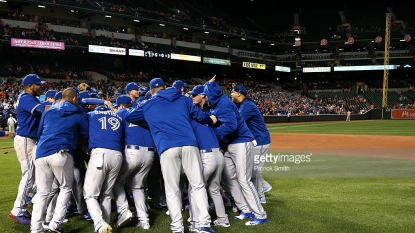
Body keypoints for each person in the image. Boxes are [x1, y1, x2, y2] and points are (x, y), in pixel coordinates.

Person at [125, 78, 217, 233]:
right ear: (165, 87)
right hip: (189, 144)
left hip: (166, 147)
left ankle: (177, 228)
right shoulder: (183, 99)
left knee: (172, 189)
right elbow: (200, 117)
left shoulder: (148, 104)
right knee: (198, 184)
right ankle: (204, 225)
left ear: (152, 90)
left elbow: (130, 116)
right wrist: (211, 119)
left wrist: (151, 121)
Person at [203, 79, 268, 226]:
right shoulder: (217, 104)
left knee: (244, 179)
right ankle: (245, 209)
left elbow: (231, 126)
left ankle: (260, 214)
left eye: (206, 94)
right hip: (230, 145)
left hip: (241, 142)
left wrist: (213, 133)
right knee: (228, 178)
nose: (205, 98)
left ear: (211, 94)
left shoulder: (224, 104)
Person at [30, 88, 89, 233]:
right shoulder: (78, 111)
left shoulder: (49, 110)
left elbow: (39, 132)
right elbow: (86, 133)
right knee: (66, 188)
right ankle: (55, 224)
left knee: (42, 192)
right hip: (61, 152)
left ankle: (35, 228)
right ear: (75, 99)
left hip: (41, 152)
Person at [188, 85, 230, 230]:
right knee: (214, 189)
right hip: (218, 155)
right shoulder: (208, 115)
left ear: (203, 96)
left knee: (195, 188)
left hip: (207, 156)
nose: (192, 97)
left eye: (195, 95)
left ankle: (197, 223)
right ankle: (223, 219)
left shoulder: (195, 115)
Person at [113, 95, 154, 229]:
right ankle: (144, 221)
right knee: (137, 187)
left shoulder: (120, 113)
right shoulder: (142, 113)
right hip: (149, 153)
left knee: (116, 180)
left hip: (132, 152)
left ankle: (124, 211)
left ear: (120, 105)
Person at [10, 74, 44, 225]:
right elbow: (44, 109)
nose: (41, 87)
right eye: (38, 85)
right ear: (30, 86)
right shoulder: (25, 98)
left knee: (34, 174)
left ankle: (27, 200)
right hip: (25, 139)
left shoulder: (29, 98)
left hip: (30, 139)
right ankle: (18, 210)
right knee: (29, 174)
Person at [84, 104, 124, 233]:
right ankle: (105, 224)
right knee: (106, 194)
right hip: (117, 155)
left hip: (100, 153)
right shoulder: (118, 117)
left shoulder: (91, 115)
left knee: (90, 195)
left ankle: (100, 223)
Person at [231, 84, 271, 204]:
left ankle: (260, 195)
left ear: (239, 93)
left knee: (254, 170)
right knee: (252, 169)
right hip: (255, 141)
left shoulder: (247, 105)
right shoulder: (241, 104)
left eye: (233, 92)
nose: (231, 94)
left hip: (260, 140)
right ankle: (263, 186)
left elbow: (237, 121)